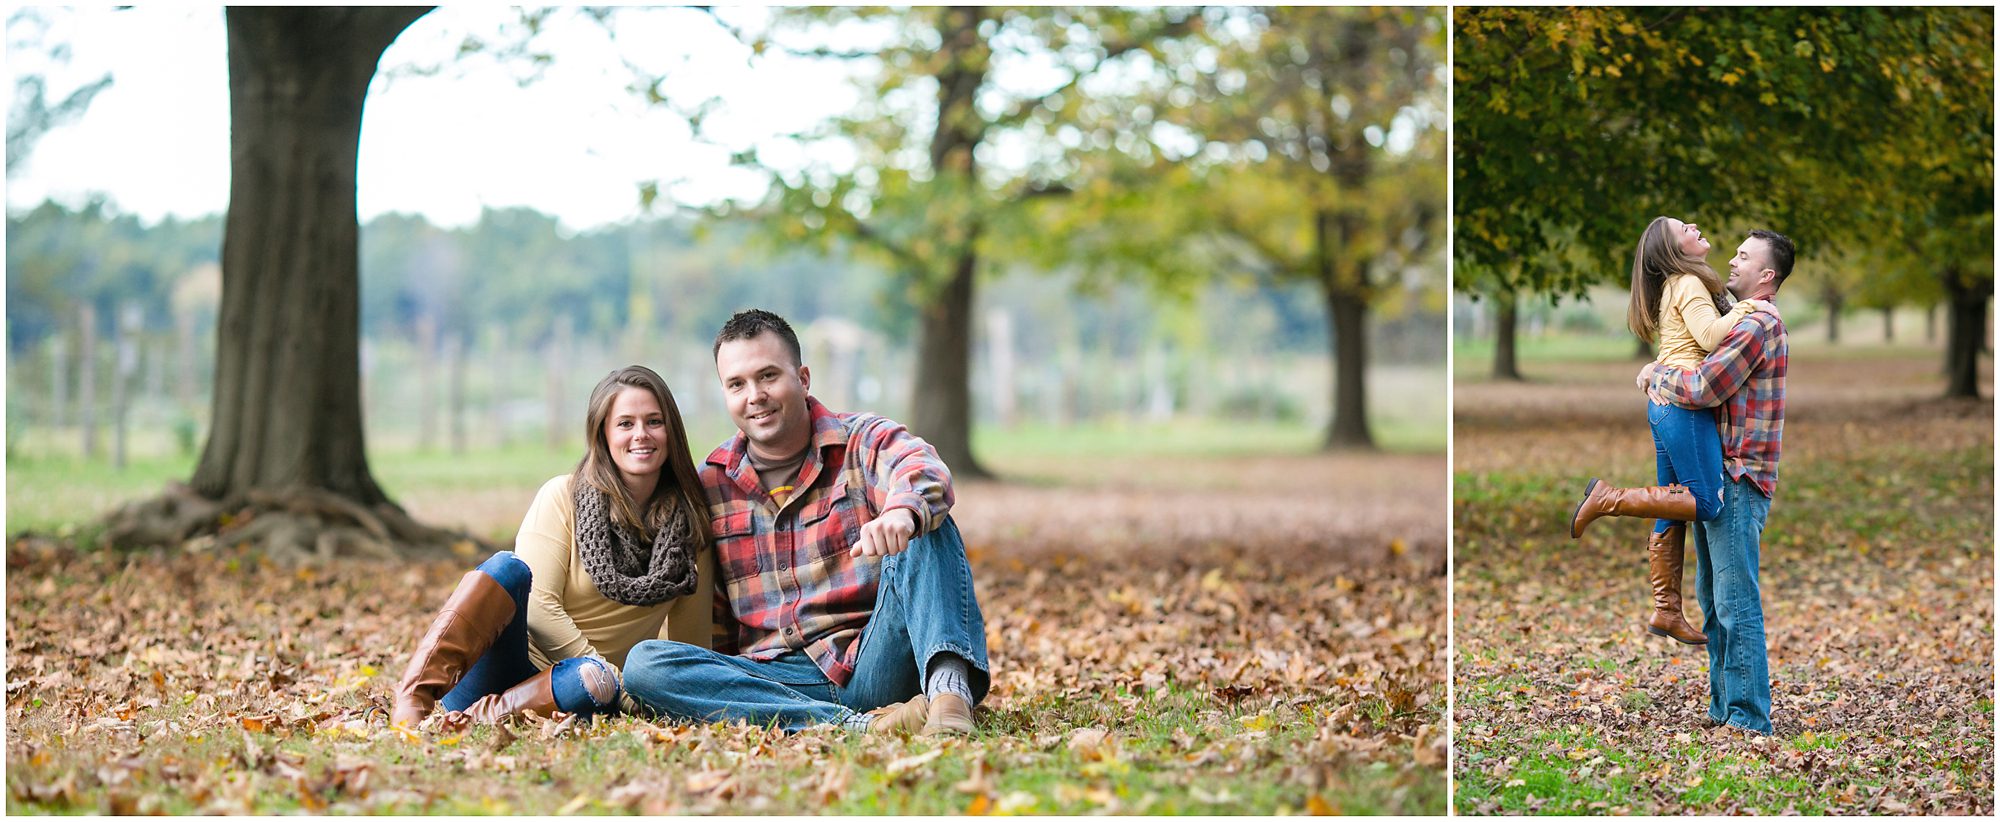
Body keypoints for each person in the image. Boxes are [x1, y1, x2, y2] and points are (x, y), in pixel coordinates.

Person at [622, 309, 989, 736]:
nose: (755, 395)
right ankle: (858, 727)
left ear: (803, 378)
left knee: (927, 521)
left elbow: (921, 467)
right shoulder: (709, 484)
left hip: (872, 661)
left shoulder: (860, 440)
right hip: (776, 681)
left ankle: (948, 700)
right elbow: (712, 613)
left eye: (768, 376)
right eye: (737, 384)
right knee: (645, 664)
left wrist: (900, 513)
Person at [390, 365, 715, 728]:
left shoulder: (691, 525)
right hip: (502, 667)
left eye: (654, 421)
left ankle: (474, 719)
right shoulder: (562, 496)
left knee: (591, 679)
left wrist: (671, 691)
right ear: (603, 434)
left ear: (672, 431)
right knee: (506, 567)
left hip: (576, 687)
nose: (641, 434)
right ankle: (413, 699)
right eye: (625, 423)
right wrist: (614, 676)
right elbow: (539, 608)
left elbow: (688, 646)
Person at [1569, 216, 1774, 645]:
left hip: (1663, 406)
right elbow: (1711, 337)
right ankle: (1607, 498)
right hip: (1683, 406)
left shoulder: (1676, 284)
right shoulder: (1689, 282)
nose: (1695, 225)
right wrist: (1747, 308)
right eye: (1684, 228)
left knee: (1672, 507)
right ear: (1674, 249)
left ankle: (1666, 610)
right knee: (1706, 501)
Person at [1637, 229, 1792, 735]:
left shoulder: (1756, 324)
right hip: (1719, 468)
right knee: (1712, 595)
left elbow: (1705, 386)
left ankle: (1749, 718)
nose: (1732, 260)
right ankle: (1724, 707)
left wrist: (1656, 375)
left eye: (1744, 257)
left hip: (1739, 475)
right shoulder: (1734, 315)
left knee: (1734, 600)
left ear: (1766, 275)